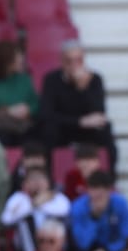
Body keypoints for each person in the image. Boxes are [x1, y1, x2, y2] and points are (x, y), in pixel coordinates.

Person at [39, 40, 115, 170]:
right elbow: (47, 114)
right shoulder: (51, 80)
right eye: (69, 61)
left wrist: (82, 88)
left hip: (87, 130)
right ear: (62, 61)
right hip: (63, 128)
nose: (74, 65)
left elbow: (98, 111)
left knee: (106, 131)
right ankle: (51, 178)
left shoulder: (95, 79)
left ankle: (107, 178)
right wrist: (79, 121)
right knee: (47, 131)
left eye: (78, 60)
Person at [1, 161, 72, 251]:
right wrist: (34, 204)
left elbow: (65, 210)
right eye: (33, 179)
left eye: (41, 178)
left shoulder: (56, 196)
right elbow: (6, 219)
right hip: (26, 247)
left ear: (48, 182)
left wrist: (40, 203)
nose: (37, 183)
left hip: (56, 246)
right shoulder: (19, 198)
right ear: (25, 183)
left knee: (56, 223)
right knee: (24, 224)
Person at [0, 38, 38, 146]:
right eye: (16, 57)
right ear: (5, 61)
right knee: (1, 137)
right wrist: (8, 111)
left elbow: (36, 103)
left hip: (25, 126)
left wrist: (28, 110)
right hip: (0, 129)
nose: (21, 59)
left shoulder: (25, 79)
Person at [68, 169, 128, 251]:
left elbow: (126, 237)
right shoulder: (78, 207)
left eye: (101, 196)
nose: (97, 199)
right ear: (88, 191)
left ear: (109, 191)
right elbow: (82, 243)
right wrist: (94, 216)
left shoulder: (121, 204)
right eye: (94, 195)